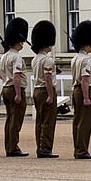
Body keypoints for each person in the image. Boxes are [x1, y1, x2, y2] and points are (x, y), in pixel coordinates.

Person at [0, 17, 30, 157]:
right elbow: (17, 76)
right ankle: (13, 147)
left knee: (10, 119)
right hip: (14, 89)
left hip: (5, 88)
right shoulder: (17, 57)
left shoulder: (4, 56)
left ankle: (9, 145)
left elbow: (2, 75)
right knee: (15, 120)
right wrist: (18, 93)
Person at [70, 20, 91, 160]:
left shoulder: (75, 58)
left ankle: (78, 148)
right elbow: (85, 79)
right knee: (85, 122)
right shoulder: (87, 60)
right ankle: (82, 150)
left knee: (77, 121)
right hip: (84, 90)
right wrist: (87, 97)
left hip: (75, 90)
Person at [30, 20, 60, 158]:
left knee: (40, 121)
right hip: (45, 90)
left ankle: (40, 146)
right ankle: (45, 148)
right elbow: (48, 78)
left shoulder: (35, 59)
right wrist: (50, 95)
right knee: (48, 121)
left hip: (36, 89)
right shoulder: (48, 60)